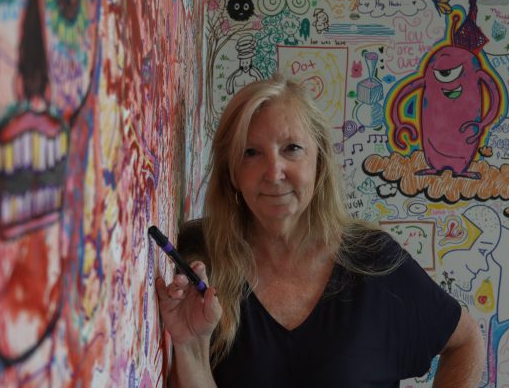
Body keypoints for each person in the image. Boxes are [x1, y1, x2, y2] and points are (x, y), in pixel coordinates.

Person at [156, 74, 484, 387]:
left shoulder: (375, 262)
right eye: (250, 152)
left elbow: (465, 341)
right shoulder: (201, 264)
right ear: (232, 174)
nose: (274, 172)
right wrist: (189, 348)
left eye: (292, 148)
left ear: (320, 160)